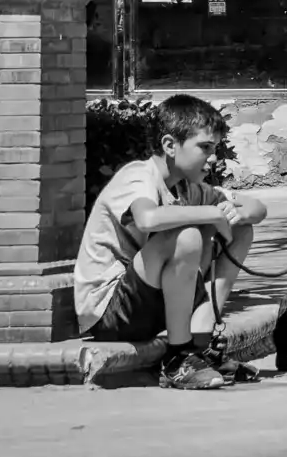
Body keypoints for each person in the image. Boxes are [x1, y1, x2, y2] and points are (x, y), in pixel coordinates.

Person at [74, 94, 268, 390]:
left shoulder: (189, 188)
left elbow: (257, 208)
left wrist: (232, 213)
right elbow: (147, 219)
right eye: (205, 147)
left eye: (215, 149)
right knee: (187, 236)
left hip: (149, 304)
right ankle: (179, 359)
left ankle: (199, 345)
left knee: (241, 229)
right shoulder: (139, 176)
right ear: (169, 145)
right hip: (110, 314)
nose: (213, 158)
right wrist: (212, 214)